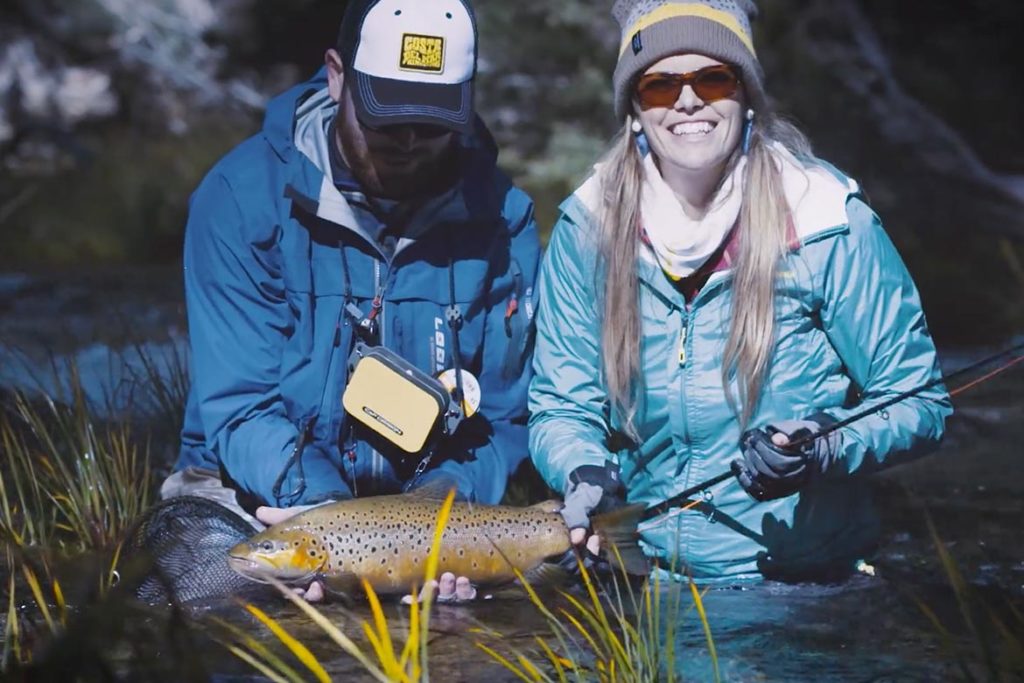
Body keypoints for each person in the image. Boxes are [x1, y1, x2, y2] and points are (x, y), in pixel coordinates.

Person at [529, 0, 952, 582]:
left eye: (712, 77)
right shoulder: (586, 232)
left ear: (746, 94)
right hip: (642, 582)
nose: (687, 100)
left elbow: (918, 400)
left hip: (803, 590)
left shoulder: (827, 222)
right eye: (659, 84)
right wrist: (582, 469)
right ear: (633, 109)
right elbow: (561, 405)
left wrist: (823, 444)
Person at [162, 0, 540, 602]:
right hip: (252, 495)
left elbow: (503, 416)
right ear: (337, 76)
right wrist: (327, 521)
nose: (410, 141)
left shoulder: (504, 221)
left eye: (433, 120)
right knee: (201, 600)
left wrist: (438, 512)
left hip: (431, 505)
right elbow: (242, 406)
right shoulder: (240, 200)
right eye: (389, 117)